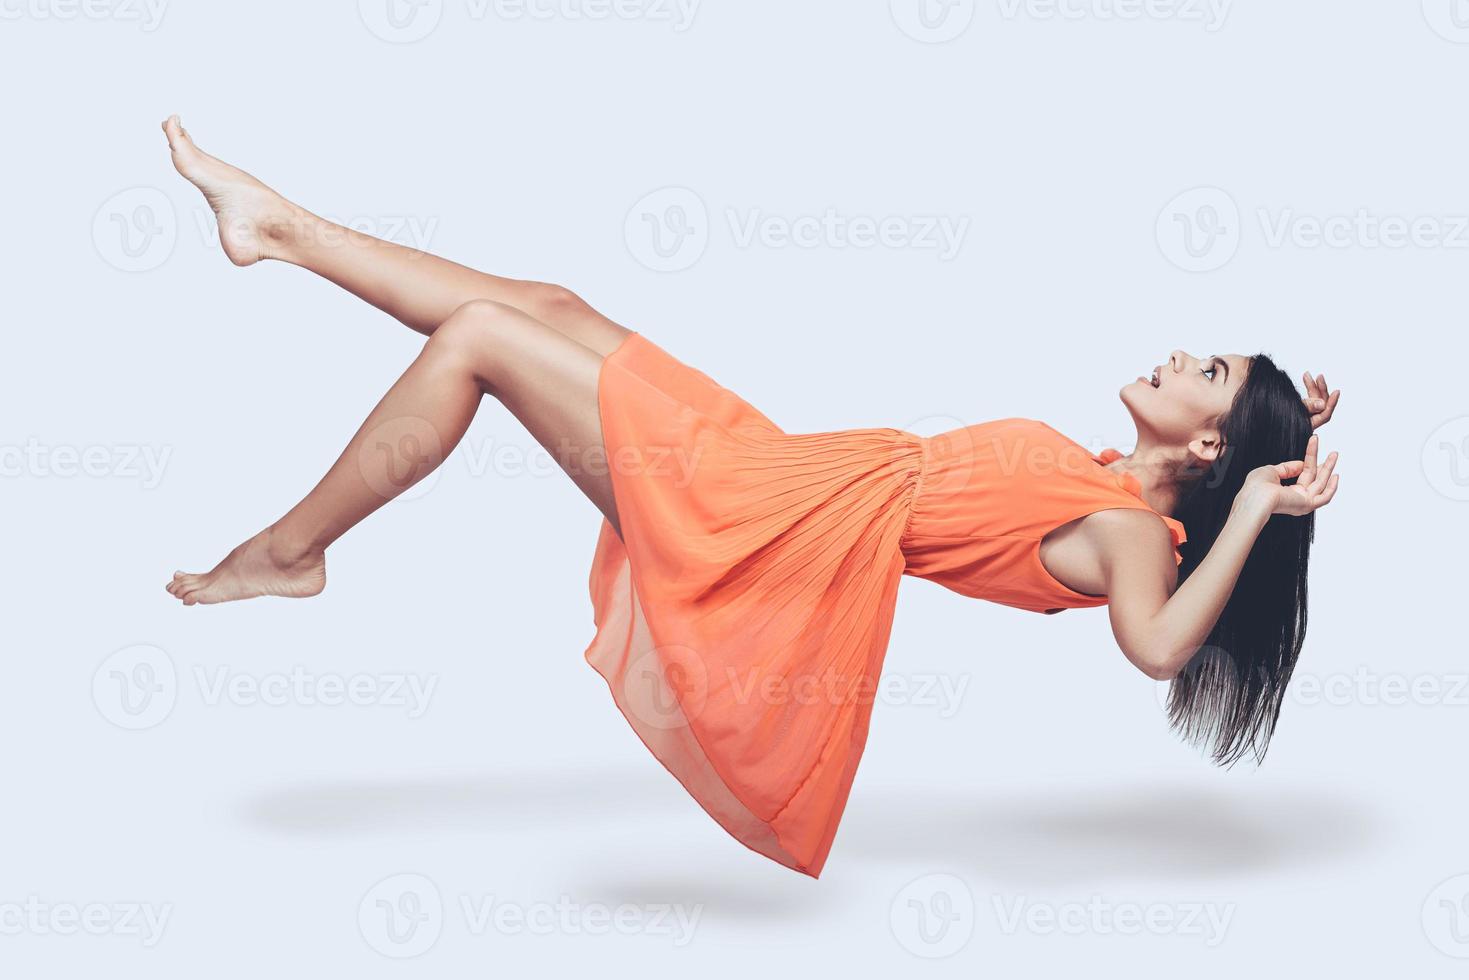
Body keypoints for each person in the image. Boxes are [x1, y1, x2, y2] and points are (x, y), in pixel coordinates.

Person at [159, 116, 1341, 878]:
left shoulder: (1134, 534)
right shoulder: (1102, 477)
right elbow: (1051, 492)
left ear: (1205, 439)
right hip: (782, 470)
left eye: (1208, 374)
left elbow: (1154, 648)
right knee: (553, 307)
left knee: (481, 337)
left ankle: (289, 549)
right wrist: (1280, 435)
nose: (1180, 354)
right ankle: (283, 227)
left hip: (756, 526)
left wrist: (1248, 503)